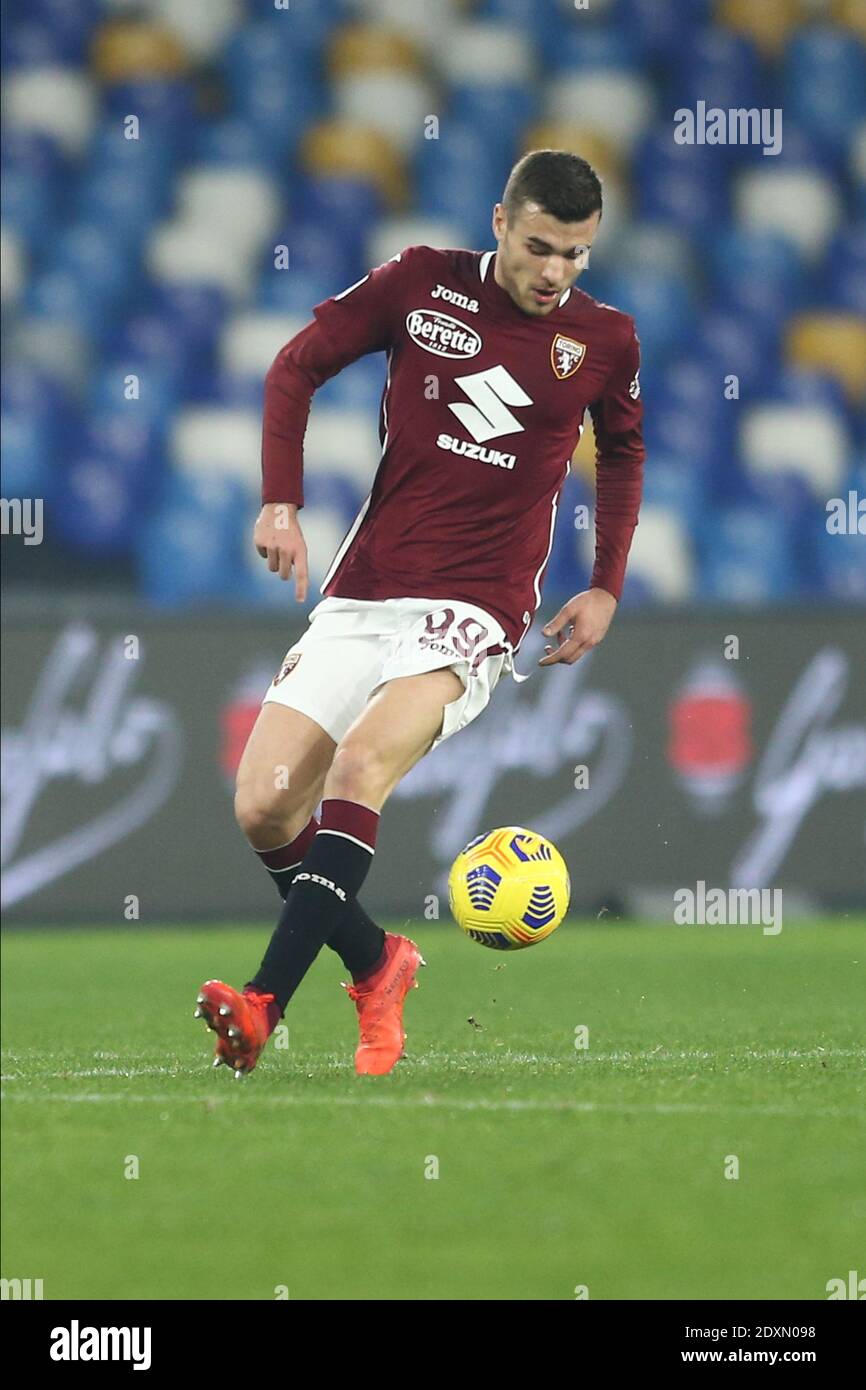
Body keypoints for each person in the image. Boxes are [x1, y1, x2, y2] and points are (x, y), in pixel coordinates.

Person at [194, 149, 645, 1078]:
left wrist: (606, 584)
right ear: (498, 224)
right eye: (539, 247)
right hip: (366, 589)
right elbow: (294, 368)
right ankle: (378, 962)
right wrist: (281, 500)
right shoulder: (419, 284)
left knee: (361, 762)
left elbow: (626, 454)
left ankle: (263, 1004)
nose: (555, 272)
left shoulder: (606, 341)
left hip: (476, 606)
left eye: (575, 255)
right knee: (265, 807)